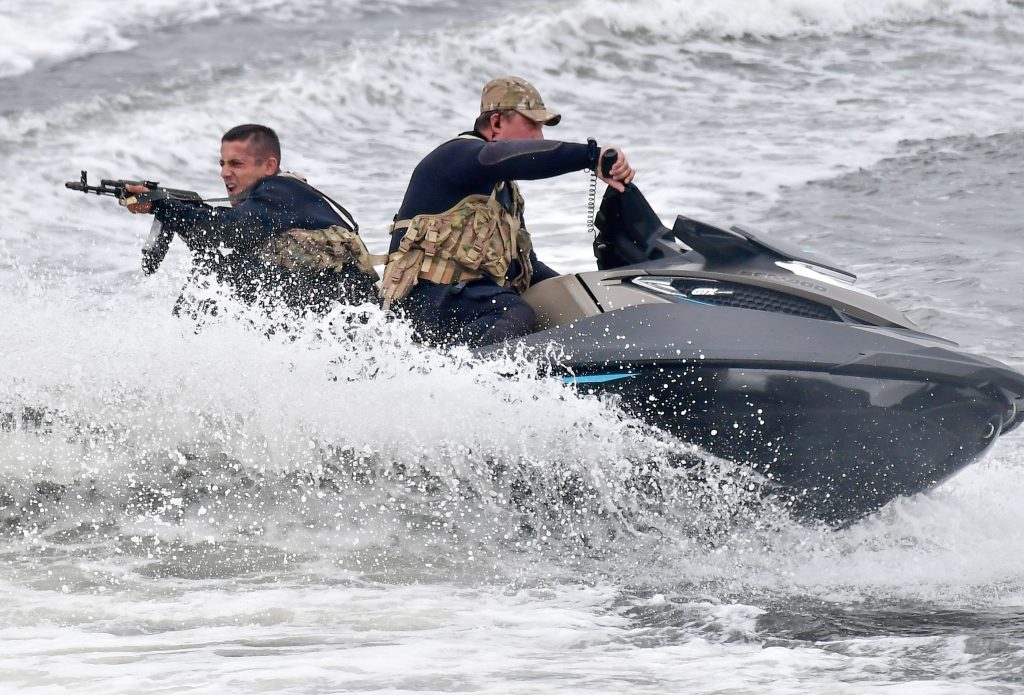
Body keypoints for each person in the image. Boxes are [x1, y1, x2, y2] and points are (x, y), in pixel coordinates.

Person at [381, 76, 634, 347]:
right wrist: (590, 156)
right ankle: (465, 379)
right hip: (423, 302)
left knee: (558, 310)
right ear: (497, 123)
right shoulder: (457, 156)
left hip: (464, 302)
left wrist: (585, 294)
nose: (539, 138)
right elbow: (508, 157)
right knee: (513, 311)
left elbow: (526, 269)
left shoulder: (504, 194)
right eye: (532, 125)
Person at [125, 123, 379, 314]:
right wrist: (167, 208)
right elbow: (224, 234)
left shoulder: (279, 191)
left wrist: (162, 206)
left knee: (215, 273)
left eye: (236, 164)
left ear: (269, 166)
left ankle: (184, 352)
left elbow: (227, 231)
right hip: (343, 310)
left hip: (344, 315)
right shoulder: (282, 197)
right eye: (222, 163)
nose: (225, 173)